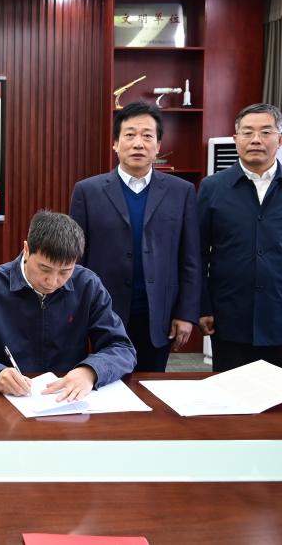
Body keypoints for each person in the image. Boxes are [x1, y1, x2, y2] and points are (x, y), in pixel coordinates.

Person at [0, 210, 136, 401]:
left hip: (69, 401)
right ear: (26, 250)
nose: (52, 281)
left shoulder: (87, 286)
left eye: (65, 271)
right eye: (44, 268)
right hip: (9, 401)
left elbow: (121, 347)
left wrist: (90, 371)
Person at [69, 101, 201, 372]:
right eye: (129, 135)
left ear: (158, 145)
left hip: (159, 314)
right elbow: (75, 259)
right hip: (103, 311)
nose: (138, 143)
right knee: (104, 382)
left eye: (147, 136)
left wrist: (186, 313)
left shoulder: (182, 191)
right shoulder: (87, 191)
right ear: (115, 144)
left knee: (152, 385)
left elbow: (190, 258)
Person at [197, 103, 282, 371]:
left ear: (280, 140)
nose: (255, 139)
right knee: (227, 391)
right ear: (236, 139)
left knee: (279, 393)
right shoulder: (212, 188)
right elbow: (197, 255)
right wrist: (202, 306)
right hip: (228, 315)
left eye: (266, 132)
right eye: (247, 132)